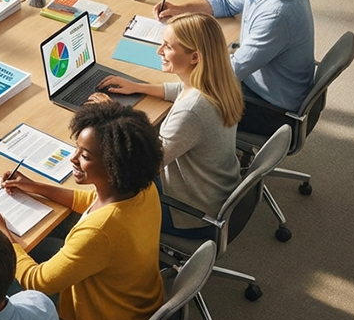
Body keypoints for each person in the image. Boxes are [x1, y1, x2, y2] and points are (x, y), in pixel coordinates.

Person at [0, 102, 165, 320]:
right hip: (131, 310)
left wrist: (1, 232)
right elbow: (89, 199)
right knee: (46, 246)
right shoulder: (140, 189)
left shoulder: (101, 231)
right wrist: (35, 187)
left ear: (113, 166)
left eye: (85, 156)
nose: (73, 158)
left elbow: (36, 282)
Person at [156, 0, 314, 136]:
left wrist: (182, 63)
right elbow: (227, 1)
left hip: (269, 108)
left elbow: (230, 72)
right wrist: (181, 9)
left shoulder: (277, 12)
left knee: (179, 107)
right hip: (259, 83)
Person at [96, 14, 244, 237]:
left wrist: (112, 114)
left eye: (167, 46)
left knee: (105, 177)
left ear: (195, 57)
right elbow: (181, 91)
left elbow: (145, 166)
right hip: (217, 189)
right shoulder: (221, 79)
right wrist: (138, 87)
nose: (159, 51)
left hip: (190, 213)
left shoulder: (192, 111)